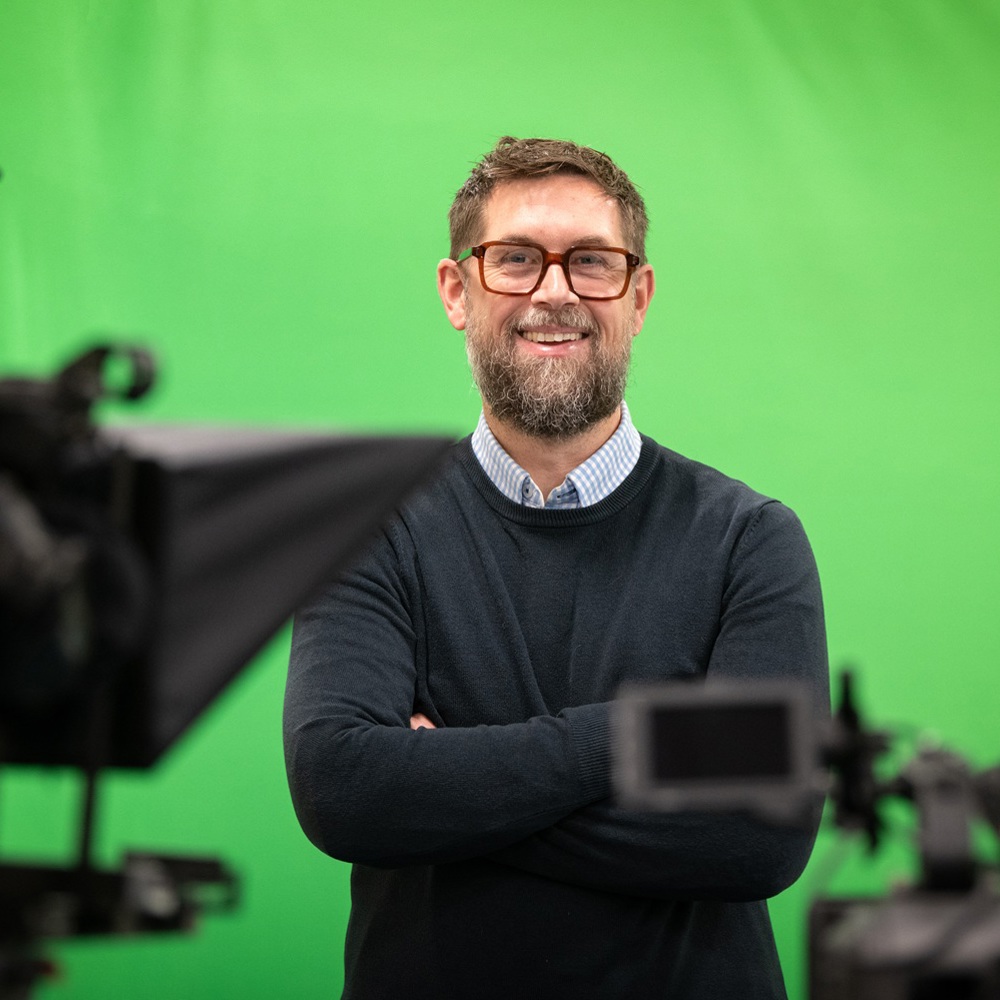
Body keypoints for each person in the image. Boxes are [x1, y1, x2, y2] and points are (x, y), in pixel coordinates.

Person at [283, 136, 829, 999]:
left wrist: (447, 787)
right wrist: (652, 735)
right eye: (516, 260)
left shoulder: (750, 539)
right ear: (456, 291)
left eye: (591, 262)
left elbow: (760, 838)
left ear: (638, 296)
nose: (554, 291)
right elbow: (344, 789)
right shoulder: (367, 532)